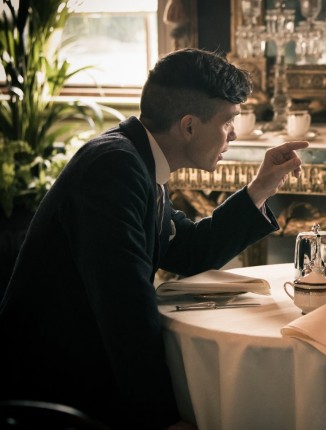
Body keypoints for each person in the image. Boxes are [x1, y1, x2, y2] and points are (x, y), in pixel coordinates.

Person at [0, 48, 308, 429]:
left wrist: (260, 188)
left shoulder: (135, 159)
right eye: (228, 121)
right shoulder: (115, 168)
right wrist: (163, 420)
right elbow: (125, 310)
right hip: (53, 390)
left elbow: (189, 250)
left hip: (83, 371)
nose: (233, 134)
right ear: (189, 126)